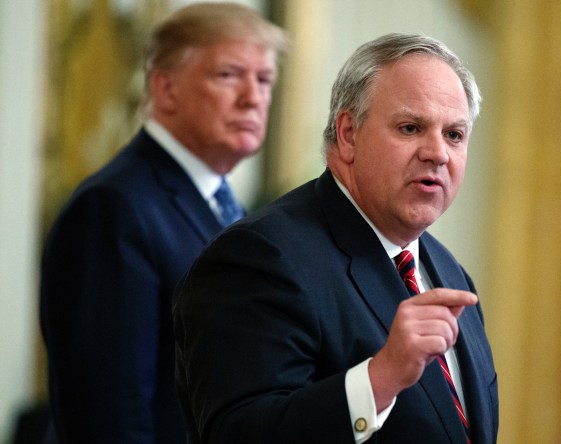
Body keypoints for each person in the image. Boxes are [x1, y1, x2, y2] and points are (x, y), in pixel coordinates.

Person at [173, 32, 498, 443]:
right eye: (411, 127)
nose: (438, 152)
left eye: (454, 134)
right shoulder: (259, 257)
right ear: (348, 133)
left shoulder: (450, 274)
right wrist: (379, 380)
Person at [39, 3, 289, 442]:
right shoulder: (112, 209)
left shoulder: (232, 210)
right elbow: (107, 414)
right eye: (229, 75)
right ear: (166, 88)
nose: (253, 96)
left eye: (264, 79)